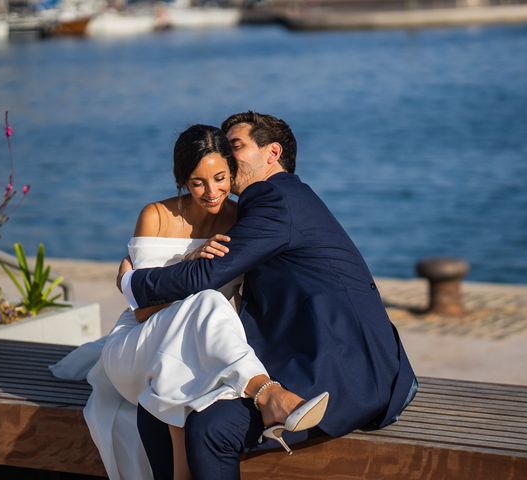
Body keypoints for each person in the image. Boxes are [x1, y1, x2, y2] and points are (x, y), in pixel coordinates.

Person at [118, 111, 419, 480]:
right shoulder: (267, 204)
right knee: (158, 403)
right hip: (315, 355)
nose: (227, 157)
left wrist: (133, 283)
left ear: (272, 153)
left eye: (236, 146)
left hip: (344, 375)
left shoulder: (276, 199)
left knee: (210, 428)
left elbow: (210, 274)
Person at [52, 124, 328, 480]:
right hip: (138, 348)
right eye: (198, 182)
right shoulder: (157, 216)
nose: (212, 192)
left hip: (197, 351)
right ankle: (268, 393)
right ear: (182, 179)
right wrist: (190, 266)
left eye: (220, 178)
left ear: (231, 173)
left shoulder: (238, 218)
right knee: (209, 301)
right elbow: (144, 311)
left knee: (197, 336)